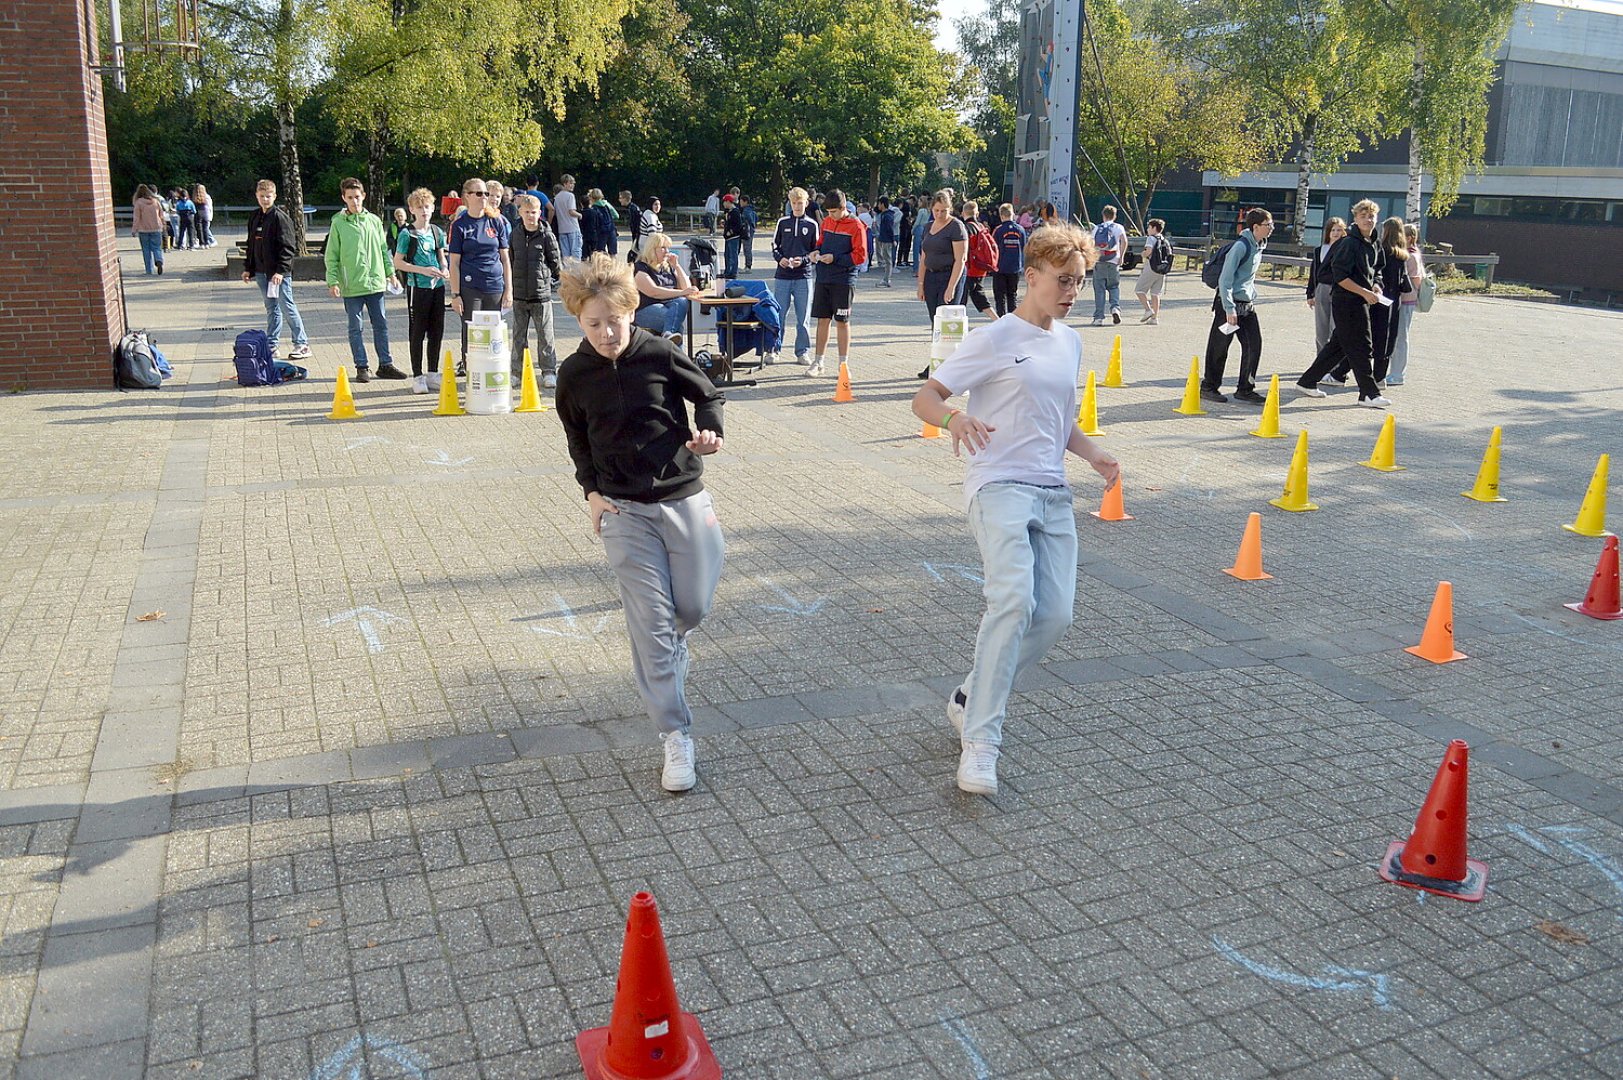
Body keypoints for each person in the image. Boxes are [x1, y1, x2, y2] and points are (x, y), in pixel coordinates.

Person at [908, 223, 1117, 796]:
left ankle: (971, 692)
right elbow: (925, 397)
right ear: (1031, 276)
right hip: (998, 485)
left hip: (1053, 493)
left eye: (1079, 281)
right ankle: (981, 740)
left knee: (1055, 616)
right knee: (1013, 600)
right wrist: (956, 419)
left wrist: (1095, 454)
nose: (1072, 291)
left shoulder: (1070, 341)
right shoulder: (995, 338)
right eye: (1062, 280)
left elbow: (1059, 421)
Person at [554, 253, 727, 793]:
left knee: (692, 608)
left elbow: (708, 393)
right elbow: (578, 440)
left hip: (683, 498)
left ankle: (674, 647)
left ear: (633, 311)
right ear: (579, 321)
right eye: (594, 323)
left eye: (616, 320)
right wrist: (592, 493)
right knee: (651, 627)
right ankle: (675, 735)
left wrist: (709, 431)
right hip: (623, 511)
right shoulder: (574, 374)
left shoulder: (658, 353)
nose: (607, 333)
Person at [1296, 199, 1391, 408]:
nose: (1368, 219)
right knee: (1362, 347)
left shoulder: (1375, 242)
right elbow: (1340, 277)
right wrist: (1364, 292)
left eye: (1371, 216)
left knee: (1338, 346)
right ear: (1355, 219)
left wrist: (1376, 285)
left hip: (1363, 299)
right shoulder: (1348, 243)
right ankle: (1368, 393)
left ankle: (1307, 381)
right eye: (1363, 216)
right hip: (1346, 301)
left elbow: (1378, 269)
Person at [325, 178, 403, 382]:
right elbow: (332, 254)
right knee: (355, 327)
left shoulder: (374, 221)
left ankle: (385, 364)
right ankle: (362, 366)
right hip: (352, 285)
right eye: (350, 198)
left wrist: (391, 274)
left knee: (381, 324)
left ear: (364, 196)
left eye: (357, 197)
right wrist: (333, 281)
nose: (354, 201)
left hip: (375, 282)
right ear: (344, 198)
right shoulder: (338, 223)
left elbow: (383, 250)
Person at [1199, 208, 1273, 405]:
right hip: (1229, 305)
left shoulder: (1259, 246)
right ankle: (1208, 387)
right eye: (1268, 225)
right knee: (1219, 347)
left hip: (1247, 306)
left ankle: (1245, 389)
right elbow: (1225, 280)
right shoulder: (1241, 247)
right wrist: (1229, 308)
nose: (1271, 228)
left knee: (1254, 345)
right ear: (1255, 227)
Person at [448, 177, 514, 377]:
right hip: (470, 288)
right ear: (467, 197)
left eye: (486, 193)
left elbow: (505, 259)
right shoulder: (460, 225)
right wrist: (455, 294)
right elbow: (454, 263)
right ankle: (471, 374)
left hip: (494, 286)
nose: (484, 197)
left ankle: (492, 375)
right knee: (473, 333)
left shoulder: (496, 221)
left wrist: (508, 289)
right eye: (479, 193)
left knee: (494, 333)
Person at [243, 179, 312, 361]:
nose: (265, 199)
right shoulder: (255, 217)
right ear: (256, 196)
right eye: (261, 196)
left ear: (274, 196)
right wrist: (248, 268)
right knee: (271, 308)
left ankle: (302, 343)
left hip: (278, 274)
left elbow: (288, 247)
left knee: (287, 306)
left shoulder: (280, 218)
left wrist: (281, 271)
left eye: (268, 196)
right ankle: (272, 345)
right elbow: (251, 244)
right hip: (260, 272)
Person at [392, 187, 449, 394]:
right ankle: (417, 375)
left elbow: (441, 255)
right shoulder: (407, 234)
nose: (424, 211)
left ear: (433, 208)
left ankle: (433, 372)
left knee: (437, 330)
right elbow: (398, 262)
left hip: (438, 287)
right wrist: (423, 270)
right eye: (419, 207)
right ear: (412, 209)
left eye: (427, 206)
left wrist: (444, 268)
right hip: (418, 288)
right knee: (417, 332)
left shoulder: (436, 231)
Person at [808, 188, 866, 378]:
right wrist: (816, 252)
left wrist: (835, 258)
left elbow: (860, 256)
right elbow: (820, 242)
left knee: (842, 321)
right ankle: (818, 361)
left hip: (844, 279)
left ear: (843, 207)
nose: (831, 216)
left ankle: (843, 364)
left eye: (834, 212)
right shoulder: (826, 222)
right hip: (824, 277)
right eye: (828, 212)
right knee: (822, 320)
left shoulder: (857, 226)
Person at [510, 193, 563, 390]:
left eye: (534, 212)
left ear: (540, 213)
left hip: (541, 294)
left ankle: (549, 371)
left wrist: (557, 280)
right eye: (527, 212)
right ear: (520, 213)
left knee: (545, 335)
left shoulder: (547, 235)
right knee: (518, 335)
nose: (530, 216)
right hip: (519, 294)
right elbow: (511, 258)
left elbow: (555, 261)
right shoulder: (514, 234)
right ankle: (516, 372)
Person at [770, 186, 821, 366]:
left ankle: (802, 352)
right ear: (790, 203)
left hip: (804, 277)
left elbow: (817, 251)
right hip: (783, 276)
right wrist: (780, 259)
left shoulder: (812, 225)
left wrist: (805, 260)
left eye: (800, 203)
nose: (797, 207)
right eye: (794, 203)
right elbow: (775, 246)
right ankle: (774, 350)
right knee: (778, 315)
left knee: (803, 317)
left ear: (806, 203)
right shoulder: (782, 222)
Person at [633, 232, 702, 344]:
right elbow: (653, 291)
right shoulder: (641, 268)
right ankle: (677, 357)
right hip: (646, 307)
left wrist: (677, 266)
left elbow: (687, 288)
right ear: (652, 249)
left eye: (668, 248)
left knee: (682, 301)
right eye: (663, 248)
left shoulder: (667, 266)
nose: (667, 252)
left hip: (670, 306)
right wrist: (681, 292)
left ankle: (668, 336)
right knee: (675, 323)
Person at [1370, 216, 1412, 386]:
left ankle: (1349, 372)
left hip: (1378, 297)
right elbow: (1404, 285)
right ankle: (1380, 376)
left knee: (1372, 337)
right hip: (1394, 301)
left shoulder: (1380, 251)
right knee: (1388, 338)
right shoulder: (1402, 255)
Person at [1387, 223, 1424, 387]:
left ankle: (1397, 374)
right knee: (1395, 336)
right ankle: (1394, 372)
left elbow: (1416, 280)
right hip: (1400, 300)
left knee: (1401, 336)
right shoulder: (1407, 254)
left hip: (1406, 300)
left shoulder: (1411, 256)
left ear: (1409, 238)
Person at [1307, 218, 1347, 354]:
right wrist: (1310, 294)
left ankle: (1335, 364)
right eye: (1333, 230)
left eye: (1339, 230)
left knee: (1336, 327)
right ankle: (1321, 360)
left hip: (1340, 289)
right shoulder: (1320, 250)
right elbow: (1314, 273)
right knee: (1321, 328)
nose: (1336, 233)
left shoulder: (1346, 249)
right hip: (1322, 289)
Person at [1087, 206, 1126, 325]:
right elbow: (1124, 241)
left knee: (1099, 290)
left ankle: (1099, 318)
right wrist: (1122, 256)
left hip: (1100, 262)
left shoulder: (1097, 228)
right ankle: (1115, 308)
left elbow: (1090, 244)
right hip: (1113, 261)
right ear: (1114, 216)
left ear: (1103, 215)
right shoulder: (1118, 227)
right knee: (1114, 286)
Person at [960, 200, 997, 321]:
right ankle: (997, 320)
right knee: (978, 296)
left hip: (969, 268)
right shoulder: (981, 226)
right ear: (977, 213)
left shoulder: (967, 228)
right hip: (980, 267)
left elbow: (964, 247)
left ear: (963, 213)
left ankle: (957, 324)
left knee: (961, 298)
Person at [1134, 218, 1172, 324]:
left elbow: (1149, 251)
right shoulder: (1165, 240)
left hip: (1151, 267)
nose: (1148, 229)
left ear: (1154, 228)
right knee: (1155, 293)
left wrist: (1143, 254)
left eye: (1149, 227)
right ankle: (1155, 318)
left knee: (1139, 290)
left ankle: (1148, 310)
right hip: (1161, 269)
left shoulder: (1151, 238)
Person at [990, 203, 1026, 317]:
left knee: (1000, 296)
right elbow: (1024, 247)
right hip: (1015, 267)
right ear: (1012, 214)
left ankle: (1001, 318)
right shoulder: (1020, 230)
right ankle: (1012, 318)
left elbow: (993, 247)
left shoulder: (998, 230)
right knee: (1012, 295)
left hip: (1000, 267)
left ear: (1001, 215)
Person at [132, 185, 166, 275]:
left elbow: (137, 218)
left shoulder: (138, 203)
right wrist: (164, 225)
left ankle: (149, 270)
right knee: (157, 247)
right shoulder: (156, 201)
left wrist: (134, 229)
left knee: (146, 250)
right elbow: (161, 215)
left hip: (143, 230)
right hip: (157, 228)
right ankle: (159, 260)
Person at [872, 197, 900, 287]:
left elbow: (889, 229)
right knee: (887, 259)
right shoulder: (885, 214)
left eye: (879, 204)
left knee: (887, 260)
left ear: (883, 204)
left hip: (887, 240)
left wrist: (892, 240)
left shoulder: (887, 216)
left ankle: (886, 279)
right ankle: (886, 279)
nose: (878, 206)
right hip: (885, 239)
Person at [554, 174, 583, 260]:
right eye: (570, 183)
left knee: (565, 254)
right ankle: (576, 272)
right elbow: (571, 211)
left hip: (562, 229)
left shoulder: (557, 197)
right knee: (576, 252)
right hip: (572, 227)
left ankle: (567, 272)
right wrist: (580, 215)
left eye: (573, 183)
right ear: (565, 184)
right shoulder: (570, 196)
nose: (572, 185)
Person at [582, 187, 618, 258]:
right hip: (611, 230)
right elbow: (616, 216)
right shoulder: (607, 204)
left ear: (591, 197)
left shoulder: (593, 208)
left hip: (601, 233)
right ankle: (614, 267)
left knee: (600, 253)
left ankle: (601, 268)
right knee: (613, 253)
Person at [722, 195, 747, 279]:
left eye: (725, 202)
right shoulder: (728, 211)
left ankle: (733, 272)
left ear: (729, 202)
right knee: (727, 255)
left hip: (733, 237)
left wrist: (730, 232)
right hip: (728, 237)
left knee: (733, 255)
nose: (724, 204)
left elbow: (738, 225)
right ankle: (727, 271)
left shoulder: (735, 212)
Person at [618, 190, 644, 264]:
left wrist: (637, 236)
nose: (619, 200)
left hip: (638, 234)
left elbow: (638, 223)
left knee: (633, 255)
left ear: (625, 199)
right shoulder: (632, 208)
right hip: (636, 234)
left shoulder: (633, 209)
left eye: (621, 198)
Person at [739, 195, 757, 271]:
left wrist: (749, 224)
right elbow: (756, 218)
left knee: (747, 248)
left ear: (745, 202)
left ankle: (748, 266)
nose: (740, 203)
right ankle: (748, 265)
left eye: (741, 201)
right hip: (751, 230)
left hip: (747, 231)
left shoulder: (746, 211)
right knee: (748, 247)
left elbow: (749, 219)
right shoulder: (751, 209)